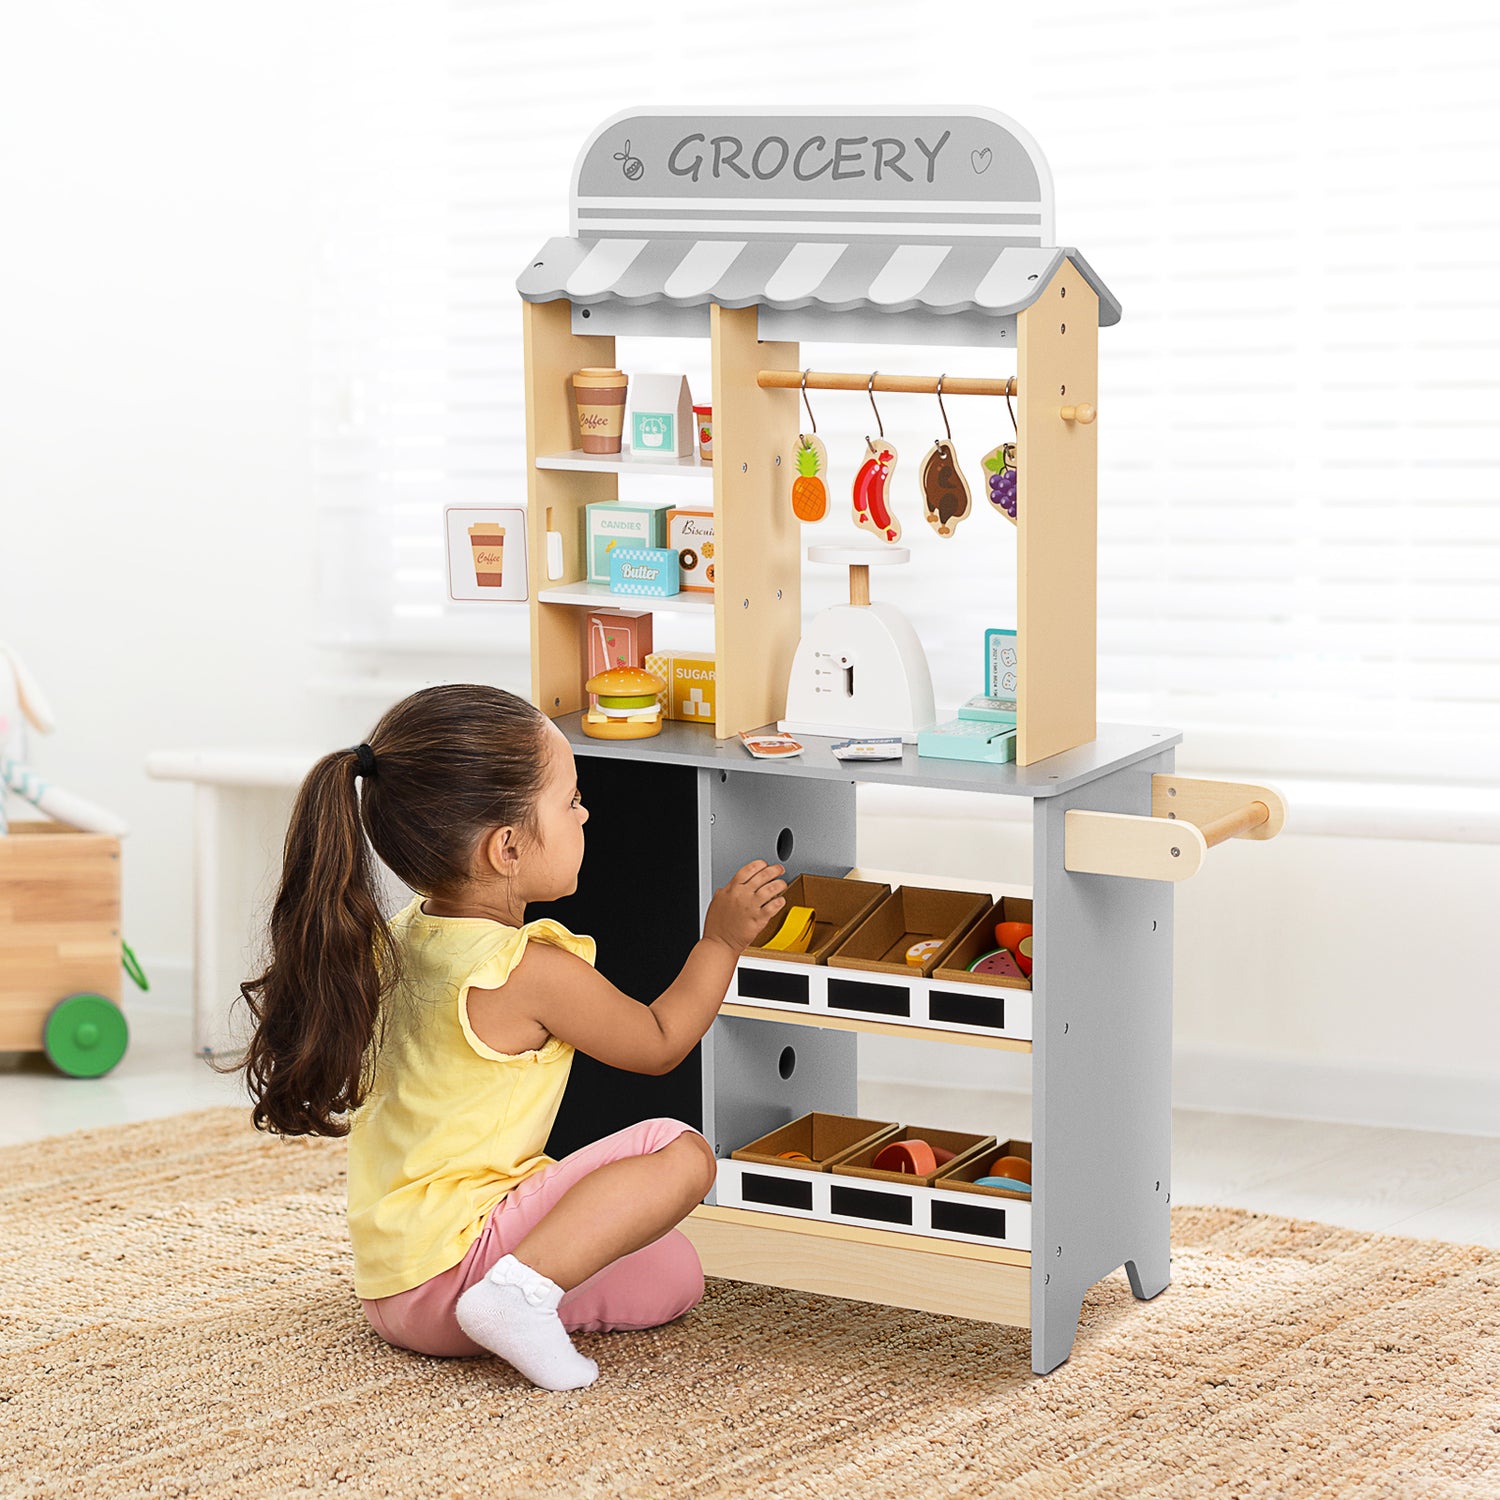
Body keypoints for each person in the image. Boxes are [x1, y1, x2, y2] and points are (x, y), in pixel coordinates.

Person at [236, 683, 786, 1391]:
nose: (586, 813)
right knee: (681, 1153)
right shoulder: (526, 968)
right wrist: (721, 940)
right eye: (572, 802)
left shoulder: (399, 940)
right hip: (461, 1263)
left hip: (395, 1290)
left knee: (675, 1271)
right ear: (507, 848)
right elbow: (658, 1042)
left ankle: (512, 1295)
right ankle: (514, 1297)